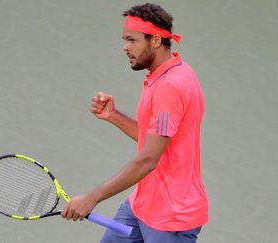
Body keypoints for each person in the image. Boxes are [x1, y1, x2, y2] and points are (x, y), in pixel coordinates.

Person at [61, 3, 209, 242]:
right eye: (124, 40)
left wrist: (92, 198)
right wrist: (114, 115)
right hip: (142, 205)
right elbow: (156, 139)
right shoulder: (170, 73)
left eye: (132, 40)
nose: (125, 48)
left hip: (171, 219)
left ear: (156, 41)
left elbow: (148, 159)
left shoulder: (170, 86)